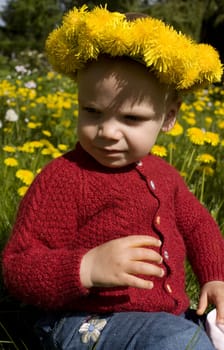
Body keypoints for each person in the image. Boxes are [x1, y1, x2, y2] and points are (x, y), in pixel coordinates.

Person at [2, 6, 224, 350]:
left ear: (168, 118)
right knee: (180, 342)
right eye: (91, 111)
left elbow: (198, 225)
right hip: (84, 320)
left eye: (131, 118)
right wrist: (85, 268)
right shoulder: (65, 178)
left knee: (187, 336)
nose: (107, 131)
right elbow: (18, 265)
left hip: (166, 319)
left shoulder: (165, 175)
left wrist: (215, 275)